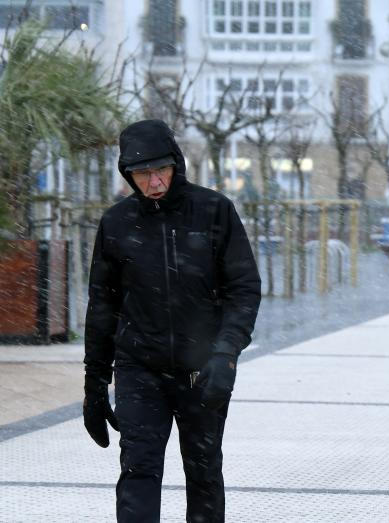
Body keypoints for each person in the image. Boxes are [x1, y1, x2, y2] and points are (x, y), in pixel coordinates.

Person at [83, 119, 261, 522]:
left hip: (203, 368)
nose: (155, 181)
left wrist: (226, 353)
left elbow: (244, 288)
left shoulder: (214, 211)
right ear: (127, 174)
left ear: (176, 164)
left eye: (161, 169)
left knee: (203, 471)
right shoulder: (116, 223)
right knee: (138, 469)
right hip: (139, 368)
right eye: (142, 173)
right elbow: (102, 305)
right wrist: (94, 381)